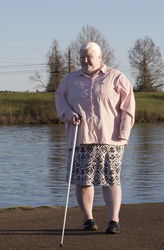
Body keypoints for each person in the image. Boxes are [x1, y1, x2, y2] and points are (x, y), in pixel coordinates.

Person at [55, 42, 135, 234]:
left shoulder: (116, 77)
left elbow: (128, 108)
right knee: (83, 181)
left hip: (111, 139)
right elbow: (60, 99)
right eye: (82, 56)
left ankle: (114, 220)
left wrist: (123, 136)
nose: (84, 60)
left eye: (88, 56)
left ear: (99, 57)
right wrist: (68, 113)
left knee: (111, 179)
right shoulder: (69, 80)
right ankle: (88, 219)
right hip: (80, 137)